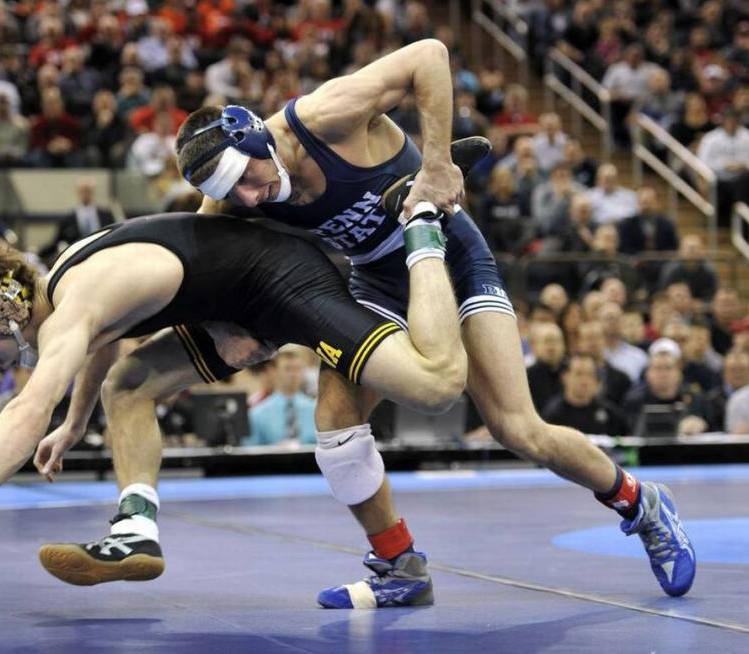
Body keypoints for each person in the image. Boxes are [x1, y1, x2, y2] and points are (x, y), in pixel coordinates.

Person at [80, 42, 691, 602]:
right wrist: (221, 329)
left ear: (259, 139)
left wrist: (435, 165)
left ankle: (640, 503)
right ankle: (399, 565)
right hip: (375, 278)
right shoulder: (230, 198)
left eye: (247, 178)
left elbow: (429, 55)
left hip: (450, 255)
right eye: (228, 192)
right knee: (334, 425)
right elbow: (211, 260)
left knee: (516, 427)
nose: (248, 199)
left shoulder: (325, 116)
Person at [0, 210, 470, 590]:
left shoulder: (72, 306)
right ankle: (136, 530)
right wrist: (75, 423)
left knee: (433, 388)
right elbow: (107, 342)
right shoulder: (72, 291)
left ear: (4, 315)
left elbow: (27, 408)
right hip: (235, 297)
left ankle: (424, 236)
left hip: (282, 280)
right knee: (128, 385)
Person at [540, 355, 628, 436]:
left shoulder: (610, 414)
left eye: (590, 374)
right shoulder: (553, 414)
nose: (584, 381)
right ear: (565, 377)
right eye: (579, 374)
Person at [245, 348, 316, 446]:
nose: (293, 374)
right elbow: (249, 451)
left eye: (298, 369)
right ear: (273, 371)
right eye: (288, 369)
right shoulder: (256, 415)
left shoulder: (316, 410)